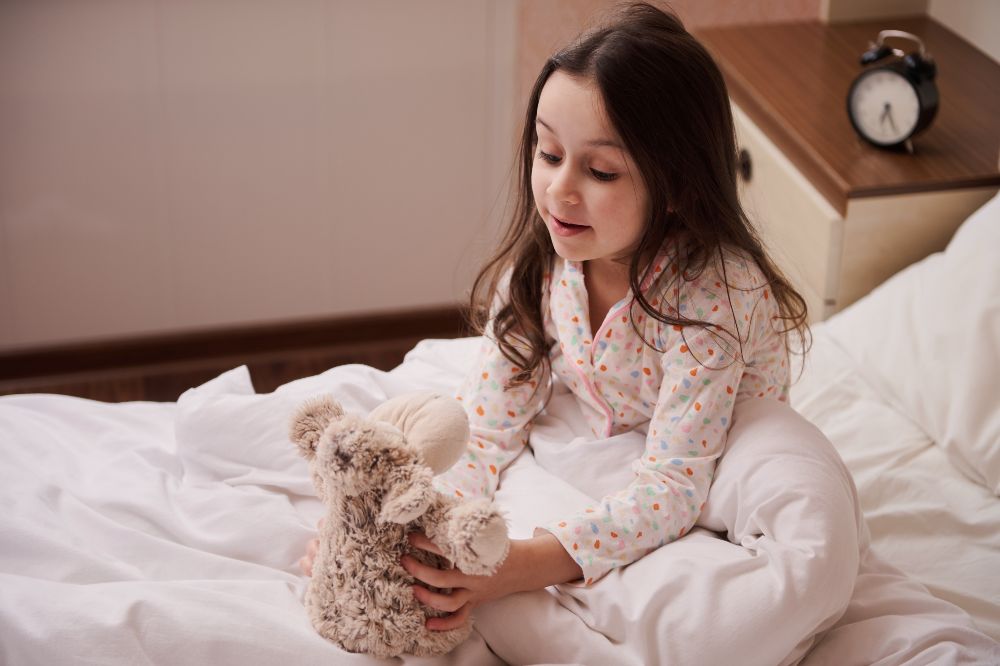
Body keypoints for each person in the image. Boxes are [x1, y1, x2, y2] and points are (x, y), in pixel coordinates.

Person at [300, 0, 807, 635]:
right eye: (547, 153)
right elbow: (487, 429)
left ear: (677, 186)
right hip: (615, 439)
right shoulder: (546, 265)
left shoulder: (713, 301)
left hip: (711, 468)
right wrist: (398, 535)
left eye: (599, 170)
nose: (559, 190)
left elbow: (677, 486)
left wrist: (517, 566)